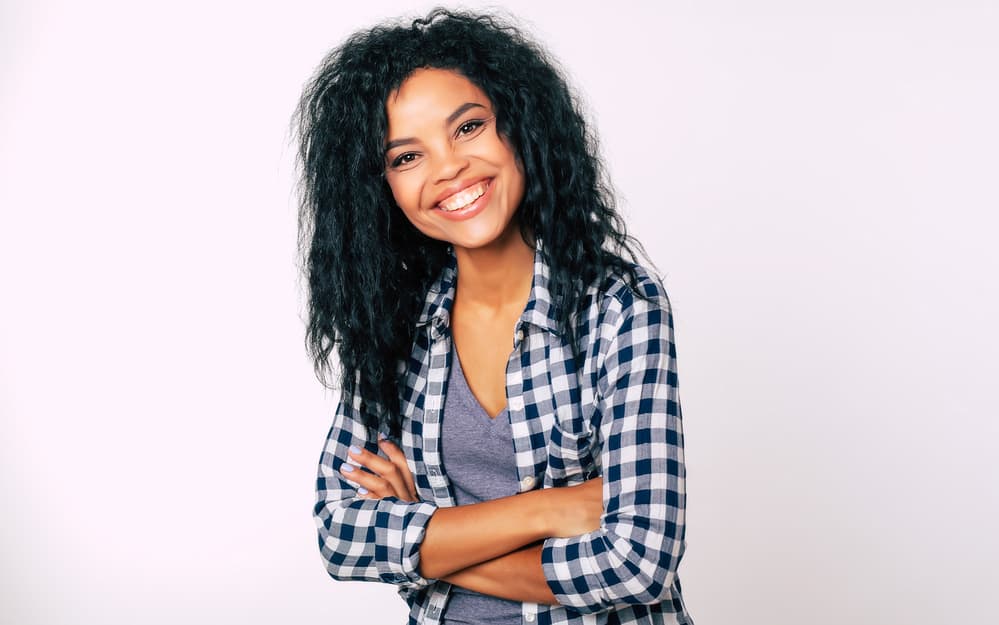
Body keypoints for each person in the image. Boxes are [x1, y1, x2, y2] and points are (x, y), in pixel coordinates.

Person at [295, 8, 692, 625]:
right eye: (406, 157)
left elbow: (640, 560)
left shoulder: (617, 306)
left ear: (520, 127)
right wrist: (545, 510)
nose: (448, 168)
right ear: (383, 191)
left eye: (469, 127)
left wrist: (426, 540)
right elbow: (340, 533)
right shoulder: (393, 321)